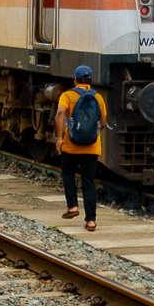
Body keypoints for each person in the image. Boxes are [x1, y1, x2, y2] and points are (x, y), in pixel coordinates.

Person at [54, 64, 108, 232]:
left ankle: (72, 207)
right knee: (88, 182)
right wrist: (92, 134)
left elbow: (60, 114)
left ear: (75, 79)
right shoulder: (98, 98)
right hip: (92, 148)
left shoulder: (67, 95)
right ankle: (91, 221)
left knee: (68, 173)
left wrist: (60, 138)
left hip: (71, 146)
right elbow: (104, 122)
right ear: (90, 81)